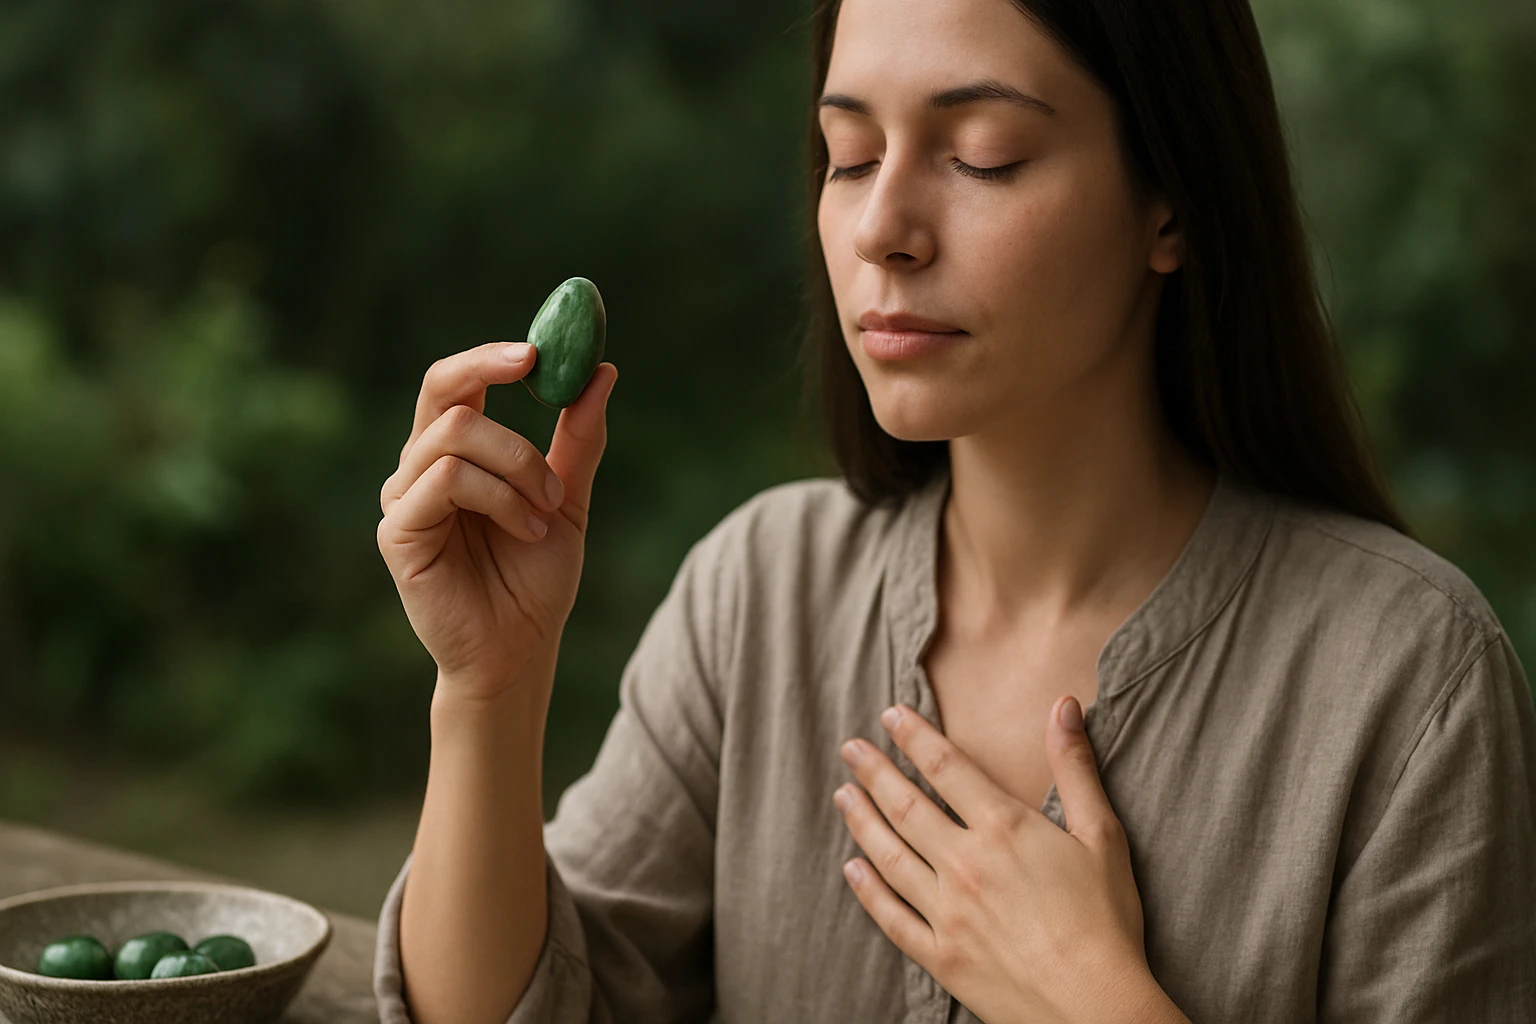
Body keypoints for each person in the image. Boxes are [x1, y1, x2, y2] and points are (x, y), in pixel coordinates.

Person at [371, 0, 1536, 1021]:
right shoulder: (757, 595)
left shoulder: (1408, 682)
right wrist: (490, 692)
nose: (882, 227)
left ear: (1172, 203)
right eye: (848, 155)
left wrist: (1095, 999)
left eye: (983, 155)